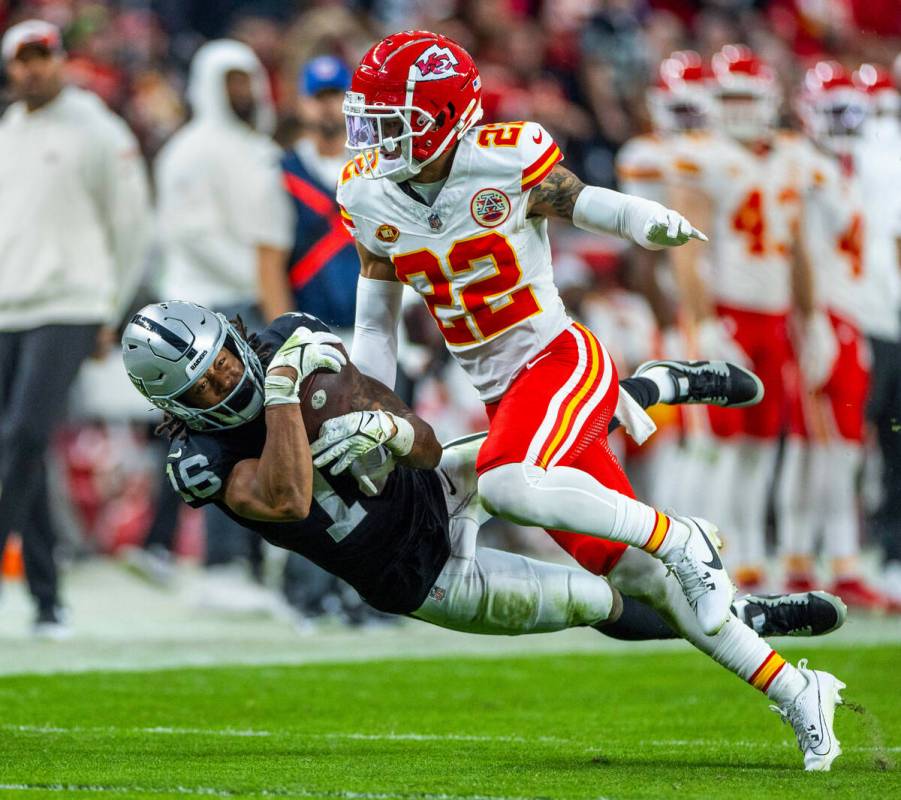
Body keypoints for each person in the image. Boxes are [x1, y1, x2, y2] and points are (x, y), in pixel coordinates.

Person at [335, 31, 845, 770]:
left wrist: (644, 222)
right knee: (642, 586)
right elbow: (373, 321)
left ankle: (681, 532)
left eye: (395, 122)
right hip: (503, 394)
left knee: (510, 483)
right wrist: (373, 405)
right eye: (371, 123)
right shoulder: (366, 192)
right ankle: (799, 691)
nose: (378, 141)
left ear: (445, 114)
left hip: (557, 357)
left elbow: (582, 201)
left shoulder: (504, 159)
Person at [122, 301, 847, 772]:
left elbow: (430, 445)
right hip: (428, 574)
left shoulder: (284, 341)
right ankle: (747, 617)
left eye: (222, 364)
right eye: (206, 389)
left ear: (229, 339)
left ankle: (655, 386)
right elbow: (285, 494)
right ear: (174, 405)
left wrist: (390, 428)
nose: (226, 385)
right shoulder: (203, 461)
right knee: (609, 599)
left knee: (539, 458)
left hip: (431, 486)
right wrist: (282, 391)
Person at [0, 19, 151, 636]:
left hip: (72, 301)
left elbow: (132, 225)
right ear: (11, 68)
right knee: (19, 448)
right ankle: (46, 599)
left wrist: (110, 309)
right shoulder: (10, 129)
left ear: (61, 61)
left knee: (27, 434)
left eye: (44, 58)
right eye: (23, 60)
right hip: (10, 303)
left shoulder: (97, 129)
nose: (34, 69)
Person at [666, 45, 814, 590]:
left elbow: (797, 246)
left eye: (743, 97)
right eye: (725, 96)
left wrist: (810, 316)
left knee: (759, 441)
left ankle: (748, 550)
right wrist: (704, 320)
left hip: (773, 316)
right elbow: (687, 248)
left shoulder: (790, 158)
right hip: (726, 311)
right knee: (716, 443)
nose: (734, 108)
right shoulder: (699, 154)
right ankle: (704, 550)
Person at [154, 39, 293, 594]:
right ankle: (221, 561)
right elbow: (192, 232)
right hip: (201, 308)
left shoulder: (257, 146)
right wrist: (259, 273)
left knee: (265, 429)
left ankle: (256, 560)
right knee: (218, 433)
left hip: (249, 303)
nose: (241, 91)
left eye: (247, 79)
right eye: (230, 80)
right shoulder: (189, 150)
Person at [777, 62, 888, 608]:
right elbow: (795, 247)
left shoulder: (844, 167)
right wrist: (810, 314)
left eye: (851, 109)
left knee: (832, 445)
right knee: (823, 445)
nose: (845, 120)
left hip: (848, 314)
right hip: (822, 314)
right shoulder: (804, 164)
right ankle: (827, 558)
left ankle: (808, 557)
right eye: (834, 109)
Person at [260, 55, 359, 329]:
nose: (327, 106)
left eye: (335, 95)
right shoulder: (282, 174)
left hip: (374, 328)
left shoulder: (373, 167)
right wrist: (287, 338)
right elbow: (270, 264)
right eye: (318, 97)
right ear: (301, 104)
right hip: (315, 331)